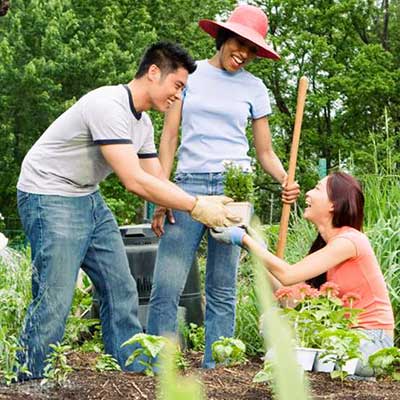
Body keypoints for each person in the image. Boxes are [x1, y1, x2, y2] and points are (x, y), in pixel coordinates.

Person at [16, 42, 240, 380]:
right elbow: (134, 181)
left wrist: (180, 203)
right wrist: (197, 206)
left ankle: (131, 371)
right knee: (56, 297)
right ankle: (28, 379)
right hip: (49, 194)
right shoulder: (108, 105)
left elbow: (155, 178)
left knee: (121, 287)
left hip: (87, 197)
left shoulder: (143, 125)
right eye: (177, 86)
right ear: (153, 72)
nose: (178, 96)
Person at [147, 5, 300, 368]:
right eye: (239, 44)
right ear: (223, 37)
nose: (243, 54)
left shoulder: (255, 88)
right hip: (188, 188)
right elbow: (168, 138)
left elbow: (265, 152)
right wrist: (160, 193)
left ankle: (216, 367)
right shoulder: (191, 76)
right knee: (167, 284)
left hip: (235, 189)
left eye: (251, 50)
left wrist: (285, 179)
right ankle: (156, 363)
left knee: (223, 287)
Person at [211, 172, 395, 376]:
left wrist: (245, 240)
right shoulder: (327, 246)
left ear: (333, 204)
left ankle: (356, 375)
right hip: (342, 338)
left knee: (286, 357)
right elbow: (291, 298)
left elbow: (288, 275)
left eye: (316, 188)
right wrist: (257, 251)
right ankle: (348, 375)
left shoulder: (350, 241)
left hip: (370, 343)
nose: (307, 194)